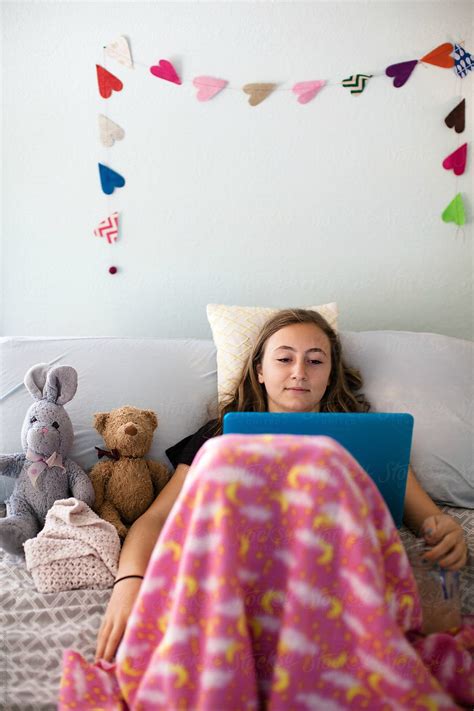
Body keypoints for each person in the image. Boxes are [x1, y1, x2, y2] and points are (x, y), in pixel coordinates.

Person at [60, 309, 471, 709]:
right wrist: (129, 582)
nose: (299, 371)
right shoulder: (218, 437)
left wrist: (445, 529)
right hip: (236, 574)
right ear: (259, 370)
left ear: (330, 374)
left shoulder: (365, 439)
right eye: (284, 358)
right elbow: (159, 519)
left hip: (330, 576)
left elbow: (426, 516)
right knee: (223, 459)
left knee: (324, 457)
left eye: (315, 361)